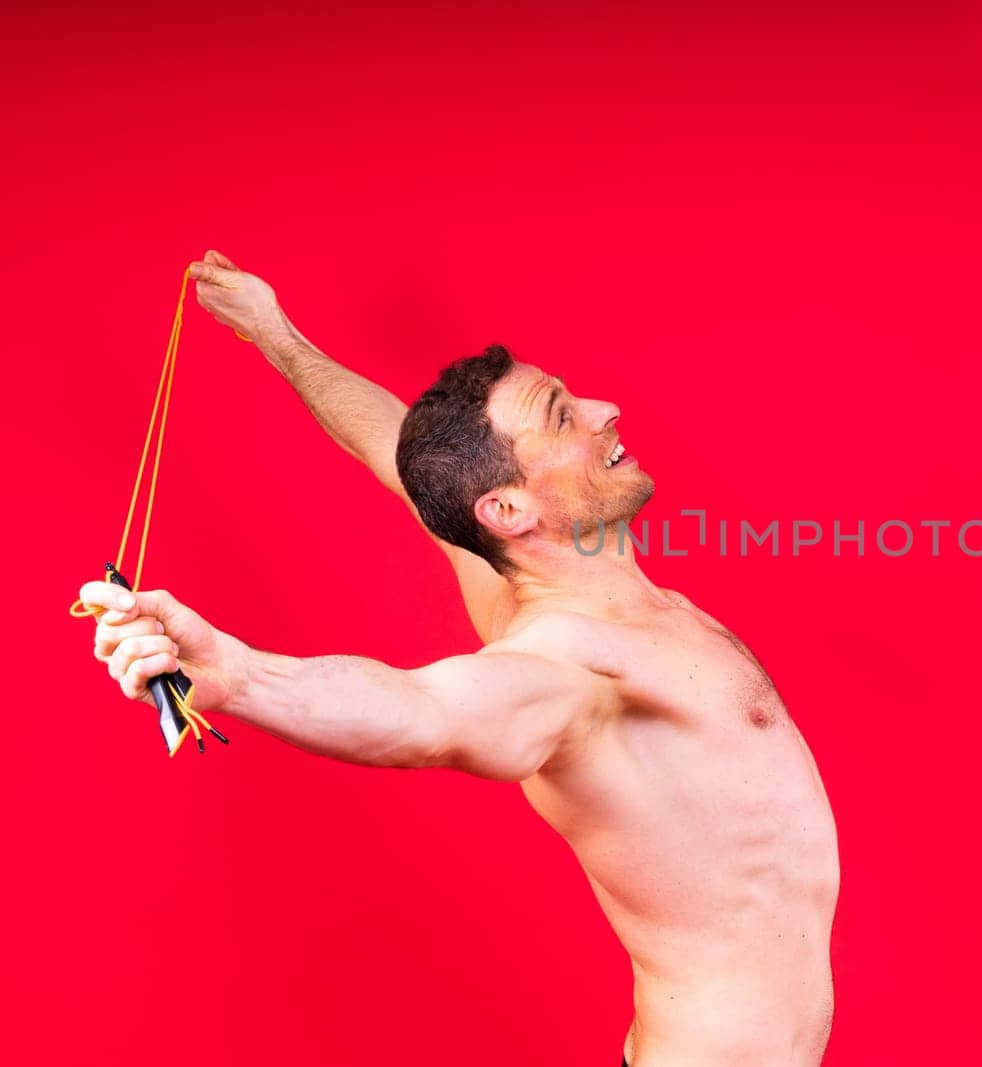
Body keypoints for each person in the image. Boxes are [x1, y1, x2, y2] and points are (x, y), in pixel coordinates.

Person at [80, 251, 840, 1067]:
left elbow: (388, 441)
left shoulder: (516, 562)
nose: (604, 408)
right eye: (561, 414)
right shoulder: (572, 664)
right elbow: (425, 713)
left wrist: (276, 334)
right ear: (508, 508)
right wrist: (239, 674)